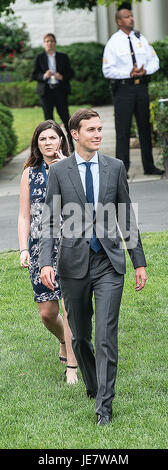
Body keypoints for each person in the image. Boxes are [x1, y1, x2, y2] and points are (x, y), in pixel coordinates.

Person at [39, 108, 147, 426]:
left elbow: (126, 215)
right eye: (91, 130)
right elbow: (49, 221)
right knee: (81, 338)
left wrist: (137, 261)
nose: (98, 134)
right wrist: (45, 261)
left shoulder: (115, 167)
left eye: (100, 129)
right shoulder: (60, 172)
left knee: (105, 336)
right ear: (75, 135)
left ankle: (104, 407)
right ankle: (93, 385)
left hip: (109, 263)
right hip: (73, 265)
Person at [18, 120, 78, 385]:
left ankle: (73, 369)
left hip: (69, 245)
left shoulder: (72, 166)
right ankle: (64, 341)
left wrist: (66, 168)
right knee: (47, 313)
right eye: (43, 139)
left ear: (61, 141)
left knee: (69, 306)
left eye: (52, 138)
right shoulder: (29, 173)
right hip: (39, 247)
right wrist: (23, 248)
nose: (48, 143)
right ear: (37, 143)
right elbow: (24, 215)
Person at [102, 2, 164, 178]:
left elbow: (155, 61)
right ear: (119, 21)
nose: (132, 18)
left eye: (131, 16)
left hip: (141, 88)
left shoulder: (140, 38)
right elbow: (107, 70)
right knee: (123, 130)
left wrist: (145, 70)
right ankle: (122, 170)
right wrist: (128, 73)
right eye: (127, 16)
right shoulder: (113, 43)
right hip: (123, 90)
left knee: (145, 127)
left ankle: (149, 166)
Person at [32, 33, 74, 153]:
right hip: (46, 92)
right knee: (48, 121)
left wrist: (62, 77)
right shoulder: (39, 58)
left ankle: (70, 144)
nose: (49, 43)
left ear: (55, 43)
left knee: (66, 119)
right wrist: (44, 75)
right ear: (44, 43)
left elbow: (71, 73)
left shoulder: (63, 57)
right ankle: (52, 147)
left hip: (60, 91)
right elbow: (34, 74)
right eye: (47, 41)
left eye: (51, 41)